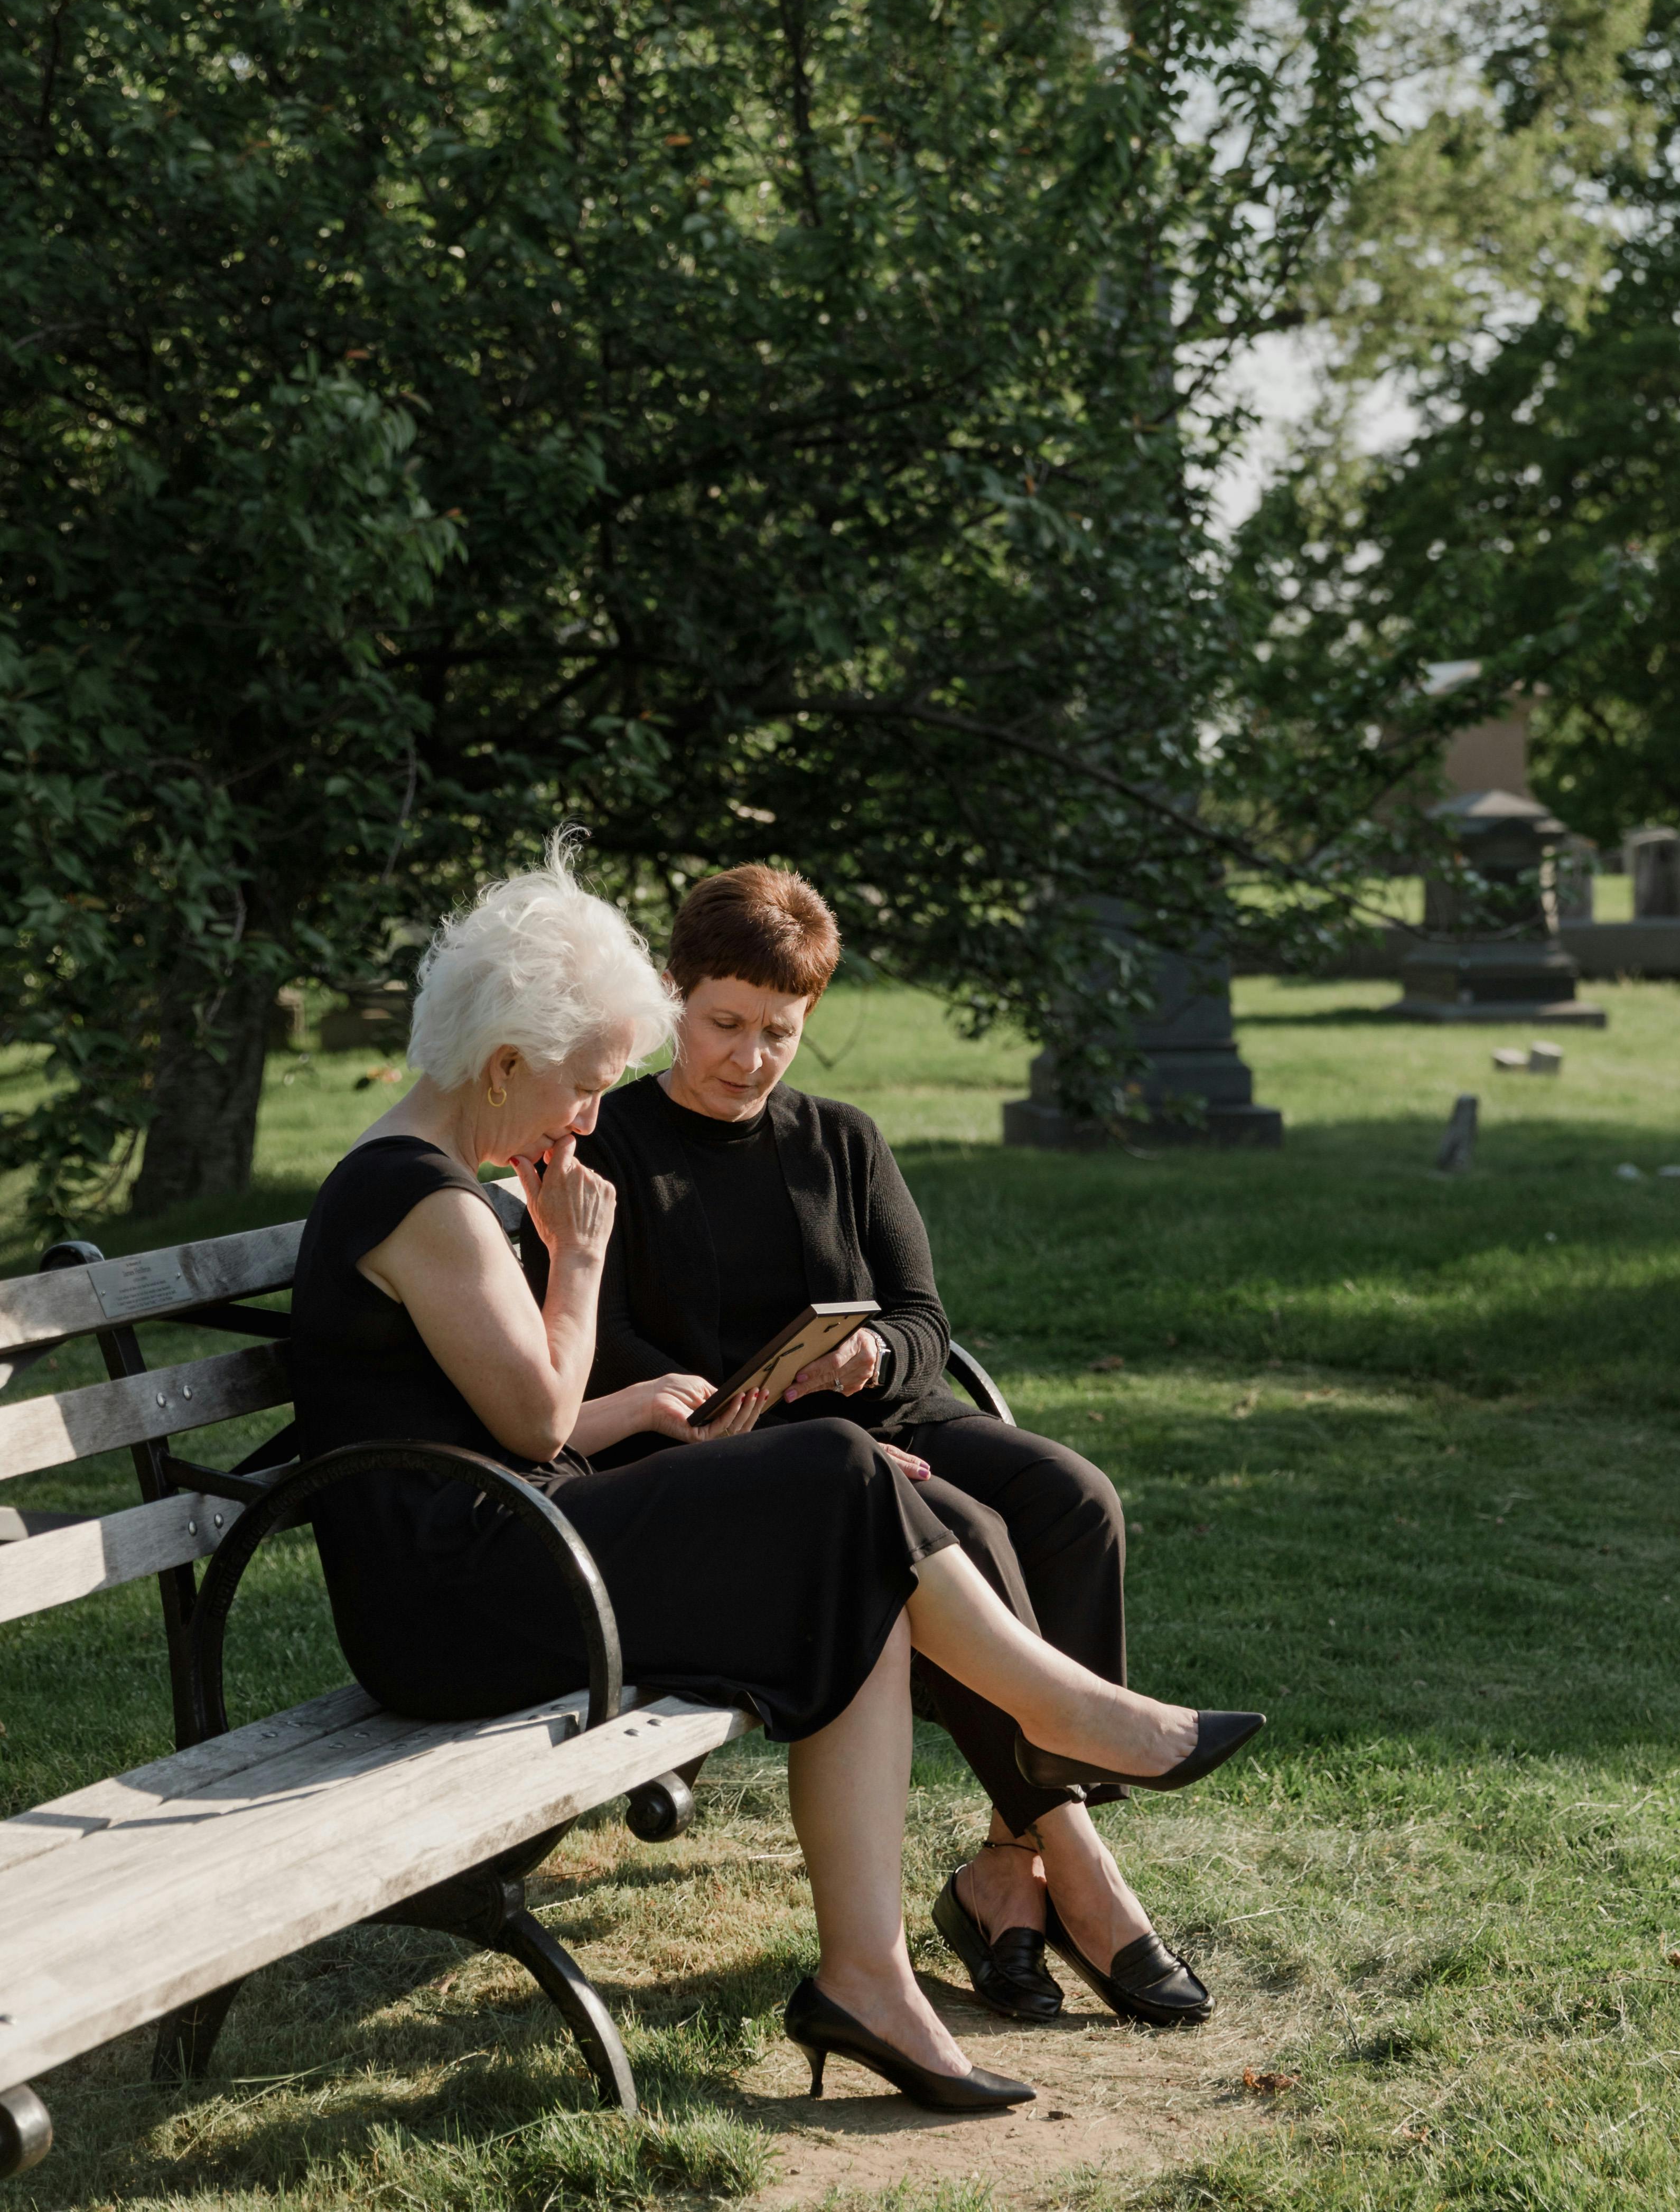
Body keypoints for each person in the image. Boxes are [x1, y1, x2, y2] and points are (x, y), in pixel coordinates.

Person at [288, 838, 1260, 2115]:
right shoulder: (426, 1198)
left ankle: (869, 1976)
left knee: (844, 1547)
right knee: (837, 1479)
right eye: (582, 1085)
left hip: (512, 1543)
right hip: (455, 1600)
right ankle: (1078, 1725)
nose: (587, 1116)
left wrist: (609, 1350)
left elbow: (520, 1415)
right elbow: (529, 1425)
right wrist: (580, 1258)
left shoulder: (441, 1184)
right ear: (507, 1058)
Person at [563, 860, 1214, 2032]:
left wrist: (871, 1362)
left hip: (876, 1420)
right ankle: (1075, 1869)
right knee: (964, 1525)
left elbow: (921, 1318)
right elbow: (593, 1360)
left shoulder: (843, 1140)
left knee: (1074, 1496)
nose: (751, 1057)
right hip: (727, 1466)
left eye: (780, 1031)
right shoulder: (609, 1143)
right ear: (671, 995)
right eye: (724, 1023)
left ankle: (1005, 1868)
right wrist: (759, 1410)